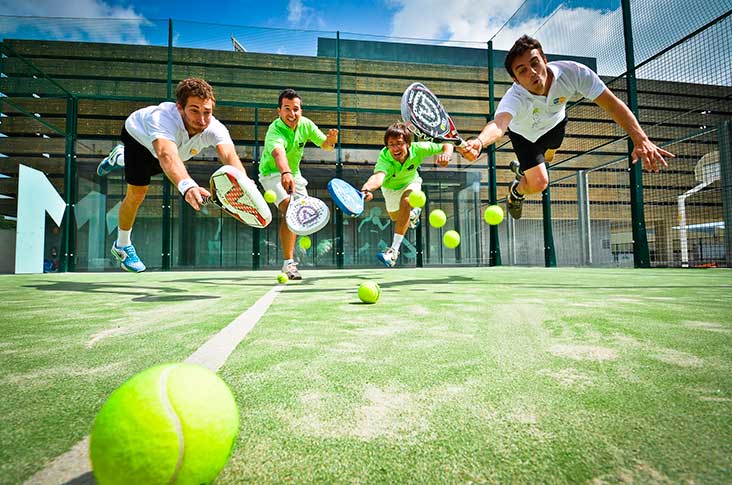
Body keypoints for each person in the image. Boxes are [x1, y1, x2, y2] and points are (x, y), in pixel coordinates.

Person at [460, 35, 674, 219]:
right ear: (515, 79)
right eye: (523, 70)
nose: (533, 72)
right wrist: (479, 142)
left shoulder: (574, 73)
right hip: (524, 136)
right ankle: (517, 190)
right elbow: (499, 125)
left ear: (545, 60)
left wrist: (641, 139)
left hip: (555, 125)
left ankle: (523, 169)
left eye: (535, 63)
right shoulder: (514, 98)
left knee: (549, 157)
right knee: (539, 183)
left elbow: (612, 104)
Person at [97, 78, 253, 272]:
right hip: (139, 138)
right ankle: (121, 246)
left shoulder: (215, 127)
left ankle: (120, 158)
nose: (202, 119)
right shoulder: (161, 118)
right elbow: (165, 154)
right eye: (194, 110)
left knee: (162, 166)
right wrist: (187, 186)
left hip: (172, 150)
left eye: (207, 111)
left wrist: (245, 185)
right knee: (138, 192)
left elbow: (229, 155)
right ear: (179, 107)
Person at [258, 88, 338, 280]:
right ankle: (288, 264)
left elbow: (325, 146)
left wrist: (331, 141)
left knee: (300, 215)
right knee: (290, 209)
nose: (292, 114)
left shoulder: (306, 125)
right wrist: (285, 172)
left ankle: (294, 253)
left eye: (296, 109)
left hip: (296, 176)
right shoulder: (274, 129)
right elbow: (279, 154)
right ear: (279, 111)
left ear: (300, 110)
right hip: (272, 174)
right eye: (287, 109)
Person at [360, 122, 453, 267]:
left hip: (411, 181)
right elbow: (378, 177)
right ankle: (413, 214)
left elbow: (447, 144)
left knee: (407, 201)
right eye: (391, 144)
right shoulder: (385, 157)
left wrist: (446, 154)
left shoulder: (419, 148)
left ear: (408, 144)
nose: (395, 148)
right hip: (390, 188)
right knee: (396, 217)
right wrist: (367, 189)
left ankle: (392, 252)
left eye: (399, 143)